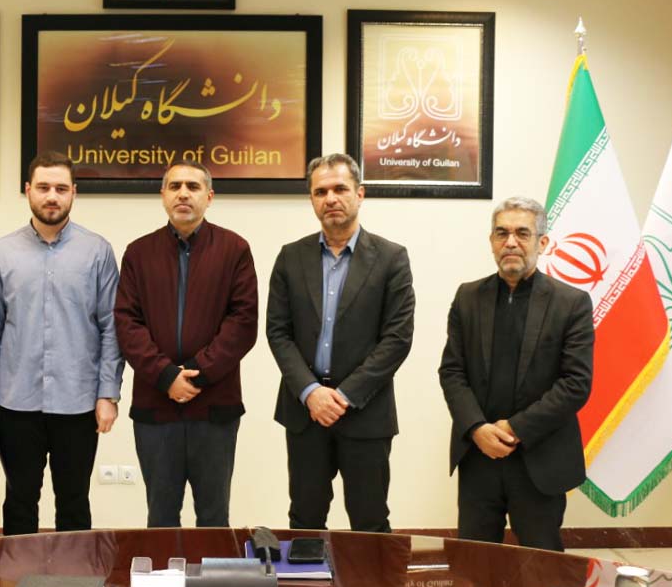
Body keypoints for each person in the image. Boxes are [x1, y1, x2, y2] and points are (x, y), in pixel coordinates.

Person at [265, 153, 415, 532]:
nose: (330, 198)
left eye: (340, 189)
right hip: (305, 413)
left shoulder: (391, 258)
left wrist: (345, 396)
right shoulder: (290, 257)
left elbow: (397, 339)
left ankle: (370, 580)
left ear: (359, 194)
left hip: (366, 412)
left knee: (370, 521)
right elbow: (278, 332)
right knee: (305, 520)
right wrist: (311, 392)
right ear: (312, 199)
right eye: (320, 192)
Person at [0, 151, 123, 535]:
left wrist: (108, 394)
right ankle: (18, 574)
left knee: (74, 502)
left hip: (78, 402)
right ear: (28, 190)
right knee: (19, 501)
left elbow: (111, 327)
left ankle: (74, 574)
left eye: (61, 188)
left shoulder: (97, 251)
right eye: (43, 187)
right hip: (15, 402)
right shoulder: (2, 252)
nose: (52, 196)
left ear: (74, 192)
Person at [438, 196, 594, 551]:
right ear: (492, 241)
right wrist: (477, 428)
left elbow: (576, 384)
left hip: (540, 457)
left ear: (542, 242)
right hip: (479, 455)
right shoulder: (467, 297)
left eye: (522, 233)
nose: (510, 242)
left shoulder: (571, 303)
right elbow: (452, 371)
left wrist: (514, 428)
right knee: (476, 561)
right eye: (501, 233)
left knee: (541, 566)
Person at [114, 160, 258, 528]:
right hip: (156, 408)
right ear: (162, 195)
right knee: (161, 517)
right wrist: (166, 376)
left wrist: (196, 375)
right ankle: (164, 572)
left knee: (214, 516)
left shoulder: (234, 249)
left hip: (215, 407)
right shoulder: (138, 253)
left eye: (193, 187)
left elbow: (243, 323)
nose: (183, 193)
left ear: (209, 197)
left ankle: (212, 573)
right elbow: (127, 323)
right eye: (175, 186)